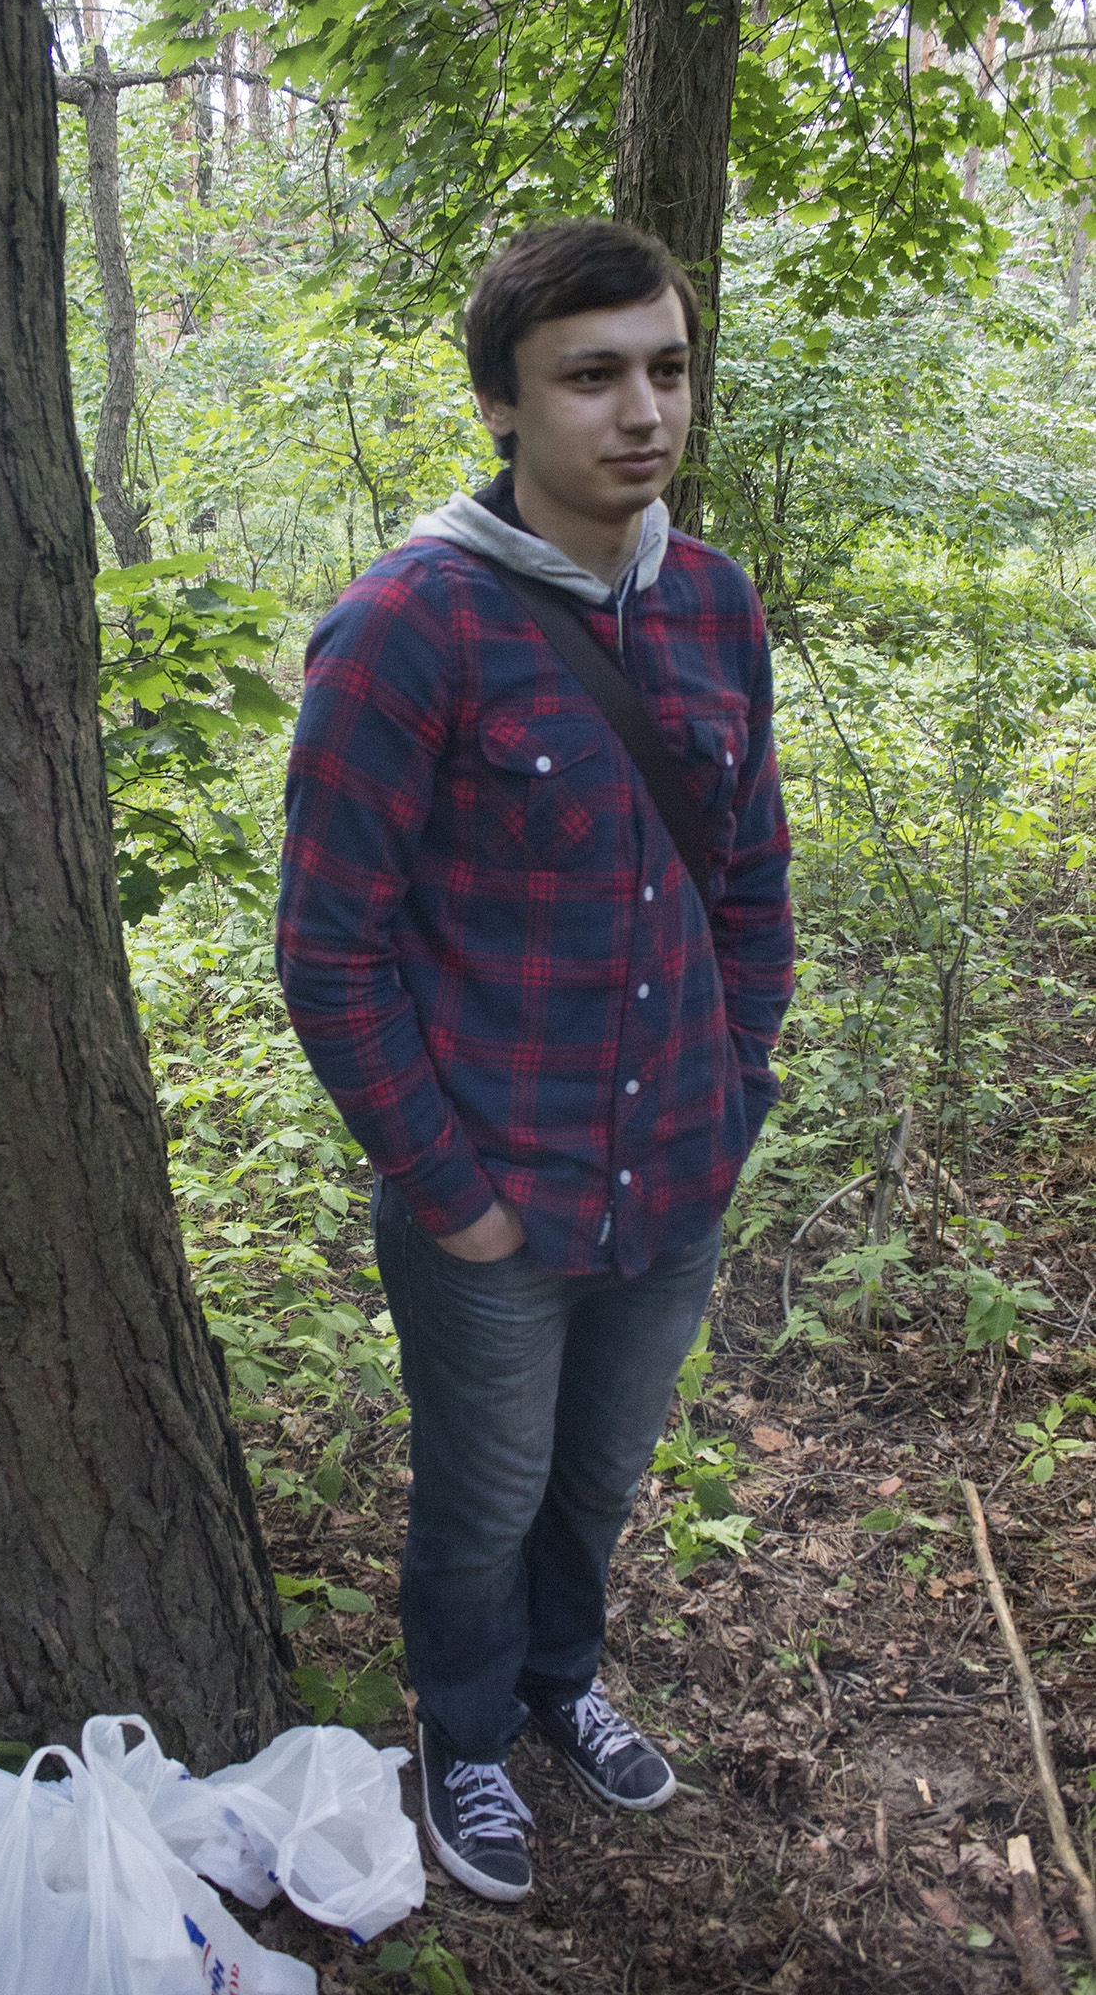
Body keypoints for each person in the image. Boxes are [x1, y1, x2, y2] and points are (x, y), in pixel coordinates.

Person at [275, 219, 793, 1904]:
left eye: (666, 368)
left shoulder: (712, 602)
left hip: (675, 1173)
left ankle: (564, 1684)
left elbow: (748, 877)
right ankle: (466, 1732)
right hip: (495, 1193)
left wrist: (739, 1088)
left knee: (597, 1481)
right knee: (483, 1501)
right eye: (590, 376)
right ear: (501, 402)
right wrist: (456, 1199)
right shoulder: (405, 625)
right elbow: (329, 952)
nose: (642, 411)